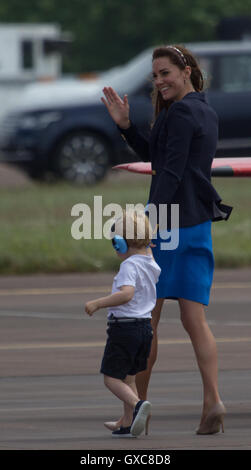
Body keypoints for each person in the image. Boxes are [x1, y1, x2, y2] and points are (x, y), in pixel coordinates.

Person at [101, 44, 232, 435]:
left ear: (187, 70)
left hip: (171, 227)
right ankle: (213, 401)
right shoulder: (203, 111)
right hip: (198, 225)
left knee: (145, 319)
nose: (159, 82)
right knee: (195, 320)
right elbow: (161, 161)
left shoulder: (178, 115)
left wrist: (149, 225)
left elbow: (169, 175)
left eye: (165, 73)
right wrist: (126, 126)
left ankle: (134, 412)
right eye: (154, 77)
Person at [85, 209, 161, 437]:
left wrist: (99, 303)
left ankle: (138, 406)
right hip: (145, 328)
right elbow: (147, 250)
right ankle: (127, 421)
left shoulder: (129, 266)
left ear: (120, 244)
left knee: (111, 378)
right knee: (129, 377)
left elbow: (127, 294)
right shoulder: (150, 263)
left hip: (125, 328)